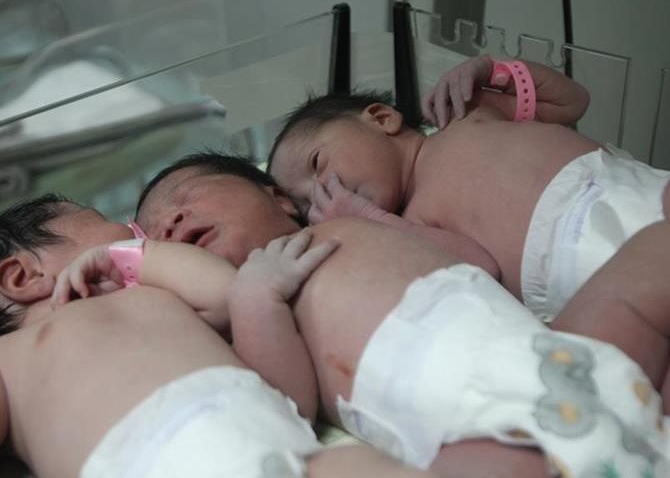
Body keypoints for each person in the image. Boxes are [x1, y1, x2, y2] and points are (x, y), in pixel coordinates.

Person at [134, 152, 670, 478]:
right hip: (475, 433)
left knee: (653, 249)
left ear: (279, 198)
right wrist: (256, 300)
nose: (173, 220)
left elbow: (480, 263)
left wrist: (377, 217)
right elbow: (287, 404)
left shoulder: (357, 227)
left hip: (568, 358)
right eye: (157, 234)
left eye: (186, 196)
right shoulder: (249, 305)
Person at [0, 193, 442, 478]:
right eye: (115, 225)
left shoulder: (154, 296)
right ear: (22, 277)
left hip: (283, 454)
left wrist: (135, 259)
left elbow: (230, 294)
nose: (137, 233)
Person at [266, 54, 670, 325]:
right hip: (585, 274)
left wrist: (492, 71)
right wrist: (373, 222)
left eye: (318, 164)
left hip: (635, 189)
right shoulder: (409, 224)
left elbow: (572, 102)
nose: (322, 191)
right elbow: (481, 267)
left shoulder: (467, 115)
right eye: (307, 203)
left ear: (381, 118)